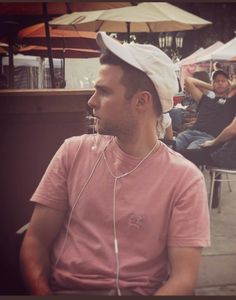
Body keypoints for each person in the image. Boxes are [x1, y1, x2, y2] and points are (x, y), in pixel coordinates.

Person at [20, 32, 210, 296]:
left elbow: (183, 279)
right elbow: (35, 243)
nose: (91, 101)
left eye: (104, 92)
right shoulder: (73, 152)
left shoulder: (184, 179)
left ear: (141, 102)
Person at [175, 69, 236, 151]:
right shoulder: (205, 99)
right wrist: (211, 87)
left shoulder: (231, 103)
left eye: (223, 81)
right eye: (217, 81)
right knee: (172, 151)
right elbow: (188, 80)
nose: (220, 83)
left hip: (209, 138)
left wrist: (231, 86)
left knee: (189, 154)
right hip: (189, 133)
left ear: (228, 84)